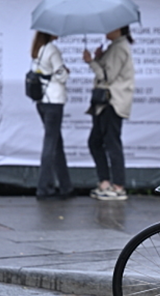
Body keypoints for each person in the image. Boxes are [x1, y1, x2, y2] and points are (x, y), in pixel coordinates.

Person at [83, 26, 135, 201]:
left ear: (119, 29)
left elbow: (106, 76)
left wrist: (91, 61)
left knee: (111, 142)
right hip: (105, 103)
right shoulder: (115, 46)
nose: (106, 30)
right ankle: (105, 183)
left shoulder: (119, 47)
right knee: (96, 141)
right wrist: (98, 58)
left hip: (112, 102)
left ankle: (118, 186)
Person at [31, 31, 73, 201]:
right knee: (50, 143)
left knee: (56, 143)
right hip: (54, 100)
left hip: (42, 100)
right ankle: (44, 187)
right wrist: (66, 71)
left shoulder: (38, 50)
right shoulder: (52, 50)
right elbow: (61, 75)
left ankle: (65, 185)